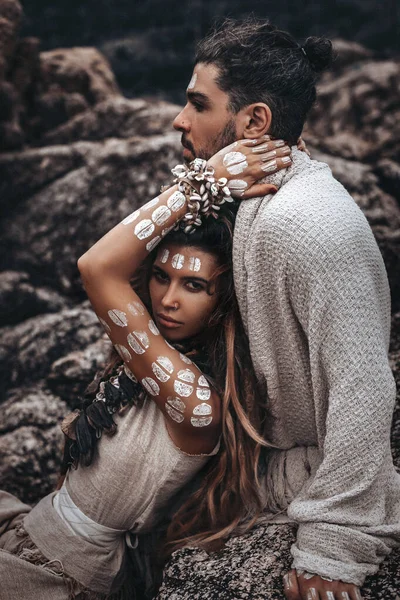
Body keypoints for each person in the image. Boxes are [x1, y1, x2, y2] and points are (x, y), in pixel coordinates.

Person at [158, 16, 400, 600]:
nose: (178, 120)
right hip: (242, 465)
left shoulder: (307, 223)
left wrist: (332, 551)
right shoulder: (260, 197)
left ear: (254, 121)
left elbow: (363, 387)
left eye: (197, 104)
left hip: (299, 475)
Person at [0, 134, 292, 599]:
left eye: (194, 285)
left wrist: (204, 182)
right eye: (161, 276)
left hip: (55, 575)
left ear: (224, 303)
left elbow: (97, 267)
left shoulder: (194, 403)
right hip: (28, 525)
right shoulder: (154, 355)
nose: (168, 300)